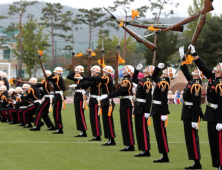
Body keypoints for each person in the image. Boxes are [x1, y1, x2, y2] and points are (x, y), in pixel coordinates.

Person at [190, 44, 222, 170]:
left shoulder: (220, 84)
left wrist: (220, 121)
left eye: (219, 66)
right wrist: (195, 54)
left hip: (217, 115)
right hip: (210, 113)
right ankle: (217, 164)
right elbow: (203, 67)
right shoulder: (213, 77)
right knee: (213, 141)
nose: (216, 66)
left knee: (219, 142)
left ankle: (221, 164)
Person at [74, 66, 116, 145]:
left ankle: (100, 136)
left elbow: (93, 82)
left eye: (93, 70)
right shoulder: (103, 78)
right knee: (94, 119)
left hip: (98, 100)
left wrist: (83, 79)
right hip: (97, 99)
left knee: (98, 119)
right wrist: (78, 85)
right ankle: (99, 136)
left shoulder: (103, 79)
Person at [99, 65, 135, 151]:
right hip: (124, 102)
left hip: (126, 103)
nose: (124, 69)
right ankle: (128, 144)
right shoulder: (125, 79)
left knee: (127, 124)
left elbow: (121, 91)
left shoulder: (126, 80)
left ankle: (130, 145)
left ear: (128, 71)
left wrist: (108, 95)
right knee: (124, 124)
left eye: (125, 69)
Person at [179, 46, 204, 169]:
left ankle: (197, 163)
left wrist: (195, 119)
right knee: (189, 138)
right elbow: (184, 70)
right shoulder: (191, 81)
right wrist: (182, 56)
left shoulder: (196, 85)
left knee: (193, 139)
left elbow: (197, 103)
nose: (195, 70)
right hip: (187, 112)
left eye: (197, 70)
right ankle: (195, 162)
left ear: (199, 75)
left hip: (191, 114)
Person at [151, 63, 177, 163]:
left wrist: (164, 113)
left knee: (161, 133)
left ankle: (165, 156)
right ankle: (163, 155)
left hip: (159, 109)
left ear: (169, 74)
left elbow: (163, 99)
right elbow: (153, 77)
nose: (165, 69)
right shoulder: (162, 80)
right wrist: (157, 68)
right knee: (158, 133)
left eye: (167, 69)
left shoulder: (164, 82)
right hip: (156, 108)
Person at [69, 65, 102, 141]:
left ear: (96, 72)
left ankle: (97, 135)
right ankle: (95, 135)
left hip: (95, 99)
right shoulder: (94, 79)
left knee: (94, 119)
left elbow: (88, 83)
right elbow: (88, 82)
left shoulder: (98, 79)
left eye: (93, 71)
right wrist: (77, 84)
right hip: (92, 99)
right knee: (92, 118)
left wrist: (78, 84)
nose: (91, 72)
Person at [132, 63, 154, 157]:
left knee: (143, 129)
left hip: (142, 107)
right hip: (138, 106)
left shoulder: (147, 82)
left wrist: (147, 111)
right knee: (138, 129)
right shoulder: (143, 80)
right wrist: (137, 70)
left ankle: (146, 150)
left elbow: (149, 98)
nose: (145, 68)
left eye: (147, 68)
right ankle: (142, 149)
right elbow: (133, 79)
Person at [67, 65, 88, 137]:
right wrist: (76, 74)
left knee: (80, 114)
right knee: (77, 114)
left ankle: (84, 131)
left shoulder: (83, 78)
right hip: (77, 95)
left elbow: (85, 85)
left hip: (81, 95)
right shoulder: (76, 77)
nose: (75, 72)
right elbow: (69, 76)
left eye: (76, 71)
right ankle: (81, 131)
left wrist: (77, 85)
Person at [48, 67, 65, 134]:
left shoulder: (57, 77)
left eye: (55, 72)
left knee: (56, 113)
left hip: (58, 96)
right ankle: (59, 128)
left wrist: (52, 74)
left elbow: (49, 78)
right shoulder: (59, 78)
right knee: (56, 113)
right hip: (57, 96)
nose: (54, 73)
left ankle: (59, 128)